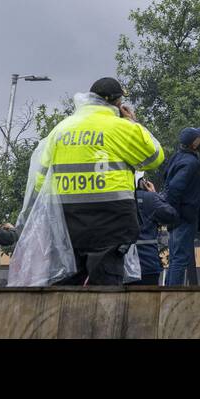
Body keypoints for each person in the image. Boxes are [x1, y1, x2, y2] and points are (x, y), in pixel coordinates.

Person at [32, 77, 165, 286]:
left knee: (68, 279)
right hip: (111, 218)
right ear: (117, 103)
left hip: (68, 218)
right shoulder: (120, 128)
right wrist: (133, 123)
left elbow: (41, 181)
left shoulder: (61, 129)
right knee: (105, 283)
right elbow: (154, 156)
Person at [162, 127, 200, 285]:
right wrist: (176, 212)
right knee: (180, 259)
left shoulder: (177, 157)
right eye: (199, 139)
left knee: (175, 259)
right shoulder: (191, 163)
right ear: (194, 143)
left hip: (176, 217)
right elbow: (174, 188)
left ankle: (167, 293)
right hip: (184, 217)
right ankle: (173, 297)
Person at [132, 177, 178, 285]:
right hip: (147, 264)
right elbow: (171, 215)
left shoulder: (115, 200)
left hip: (118, 264)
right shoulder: (149, 198)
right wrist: (155, 195)